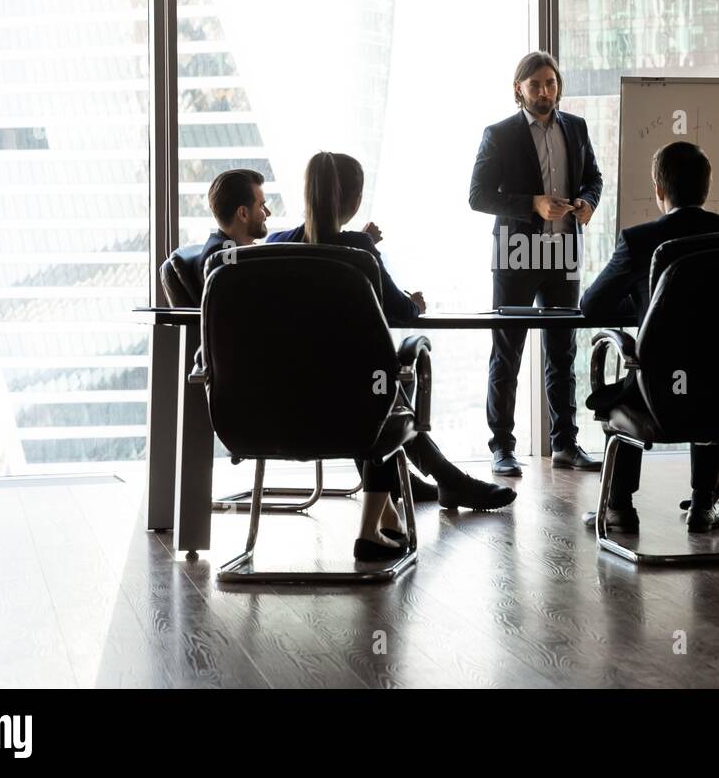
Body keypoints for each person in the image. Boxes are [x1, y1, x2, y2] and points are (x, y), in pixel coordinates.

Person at [267, 152, 517, 549]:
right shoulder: (358, 249)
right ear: (351, 200)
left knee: (363, 386)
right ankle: (378, 527)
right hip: (352, 409)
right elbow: (401, 311)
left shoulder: (274, 246)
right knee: (377, 393)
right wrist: (413, 300)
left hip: (280, 408)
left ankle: (427, 492)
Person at [578, 141, 719, 533]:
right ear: (706, 189)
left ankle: (619, 506)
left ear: (659, 190)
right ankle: (703, 505)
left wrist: (640, 301)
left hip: (660, 390)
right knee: (707, 374)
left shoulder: (639, 241)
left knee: (633, 383)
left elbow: (591, 305)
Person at [469, 51, 604, 477]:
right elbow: (478, 195)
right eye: (535, 86)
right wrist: (532, 204)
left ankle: (565, 443)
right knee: (507, 352)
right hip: (516, 254)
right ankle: (502, 448)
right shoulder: (499, 134)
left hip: (563, 250)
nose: (544, 92)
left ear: (557, 84)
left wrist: (587, 203)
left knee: (563, 352)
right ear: (518, 90)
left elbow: (594, 178)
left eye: (550, 83)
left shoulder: (577, 128)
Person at [197, 168, 271, 283]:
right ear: (243, 213)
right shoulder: (225, 256)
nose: (268, 213)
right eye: (261, 206)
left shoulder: (227, 248)